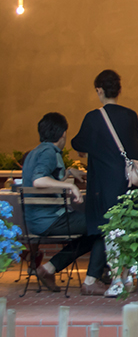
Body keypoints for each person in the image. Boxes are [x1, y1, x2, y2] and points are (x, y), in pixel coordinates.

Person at [71, 69, 138, 297]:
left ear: (99, 90)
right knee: (126, 228)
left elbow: (78, 143)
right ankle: (126, 277)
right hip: (128, 182)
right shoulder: (131, 116)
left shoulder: (93, 118)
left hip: (104, 185)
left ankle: (116, 280)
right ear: (119, 90)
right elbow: (134, 147)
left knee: (109, 230)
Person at [21, 113, 96, 293]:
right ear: (63, 134)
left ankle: (50, 268)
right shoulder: (49, 152)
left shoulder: (35, 152)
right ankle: (93, 277)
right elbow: (39, 180)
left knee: (95, 228)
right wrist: (70, 186)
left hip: (35, 220)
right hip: (51, 219)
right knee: (101, 224)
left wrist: (68, 173)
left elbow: (46, 181)